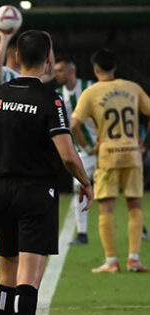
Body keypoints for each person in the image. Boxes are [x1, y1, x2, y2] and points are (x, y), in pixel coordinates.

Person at [0, 30, 92, 315]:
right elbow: (67, 155)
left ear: (17, 57)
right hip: (36, 194)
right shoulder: (50, 99)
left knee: (6, 275)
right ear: (49, 58)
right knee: (29, 278)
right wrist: (86, 181)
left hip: (1, 192)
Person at [71, 49, 150, 273]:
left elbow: (74, 125)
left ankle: (112, 261)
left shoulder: (91, 93)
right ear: (115, 67)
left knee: (106, 208)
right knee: (135, 205)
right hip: (133, 152)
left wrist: (87, 148)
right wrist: (144, 143)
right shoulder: (132, 88)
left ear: (96, 69)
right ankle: (134, 259)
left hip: (107, 154)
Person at [53, 55, 96, 245]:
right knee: (79, 188)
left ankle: (140, 228)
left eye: (60, 70)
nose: (56, 74)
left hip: (102, 147)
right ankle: (82, 233)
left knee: (117, 190)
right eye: (54, 71)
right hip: (82, 151)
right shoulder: (57, 95)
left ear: (72, 71)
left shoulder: (91, 87)